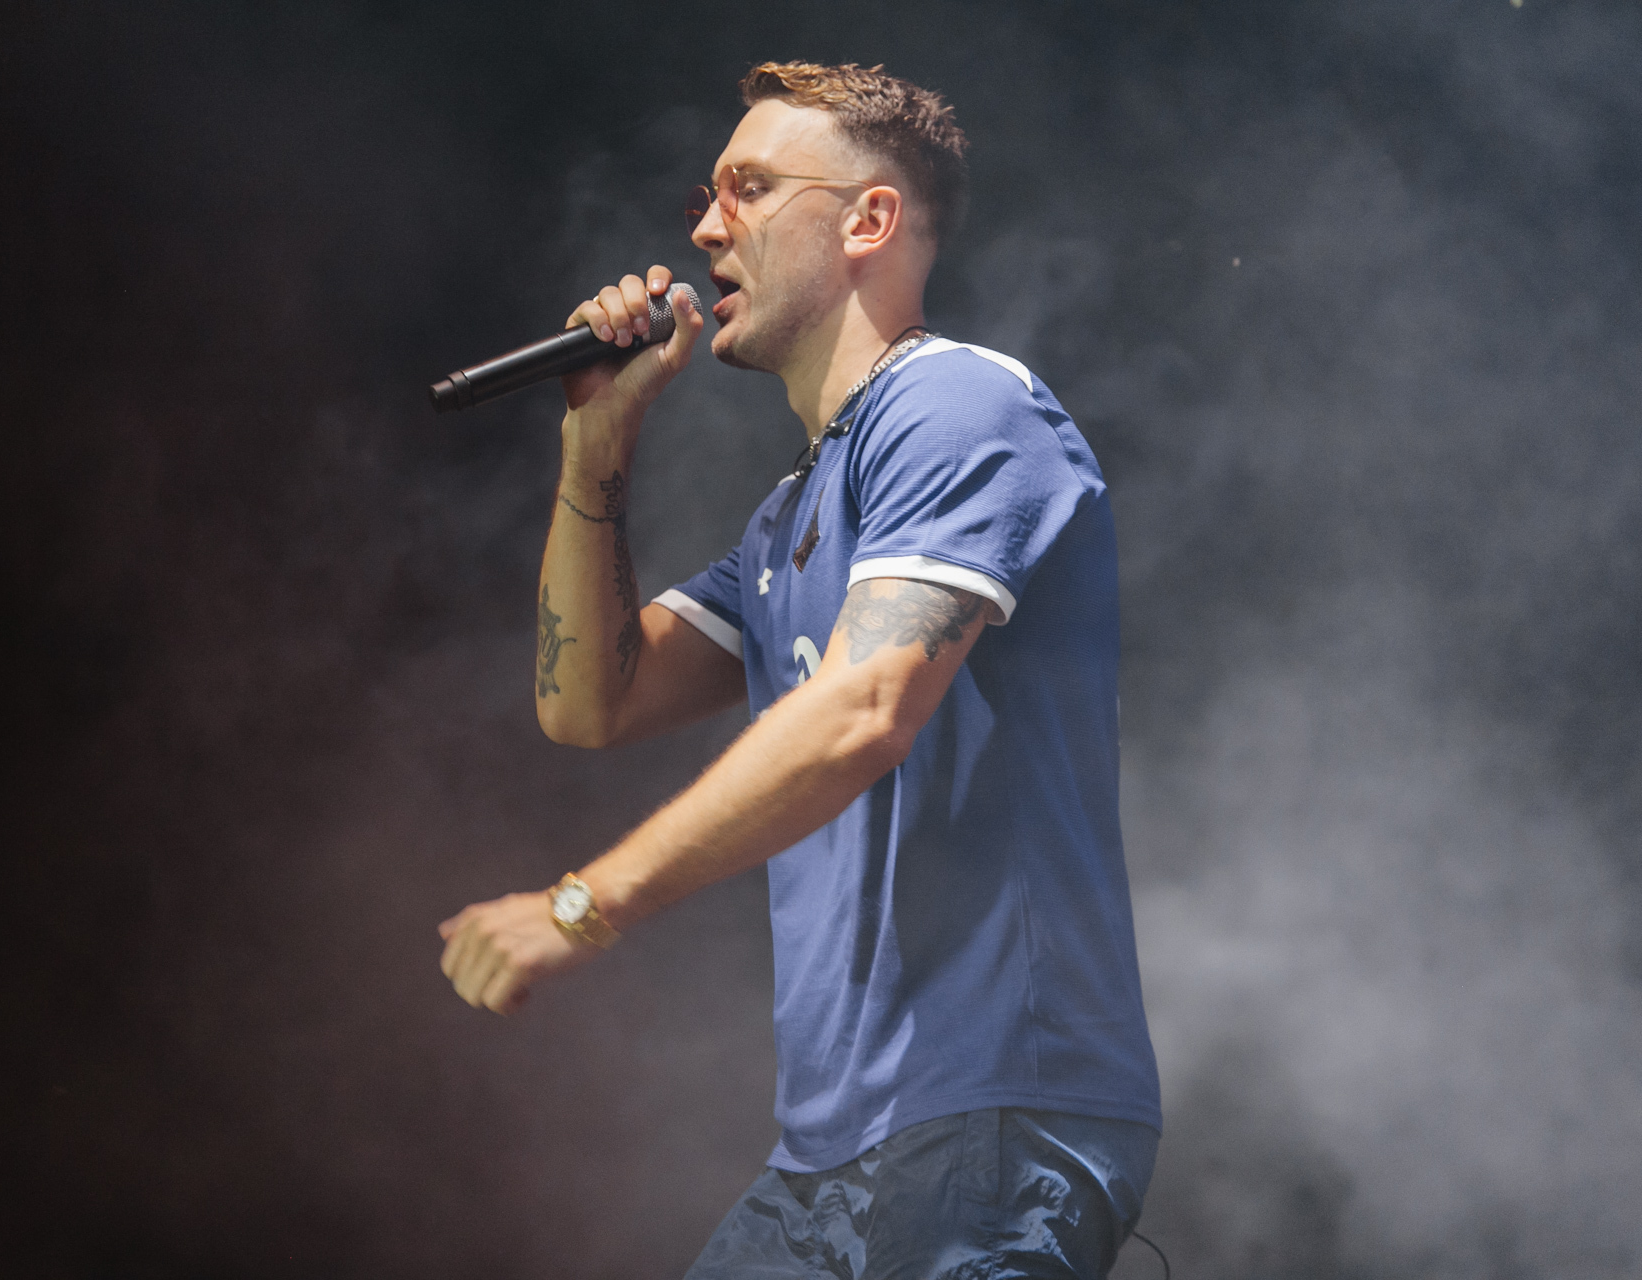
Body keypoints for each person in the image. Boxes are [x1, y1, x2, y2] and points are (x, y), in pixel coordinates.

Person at [438, 62, 1161, 1279]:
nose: (704, 228)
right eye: (706, 196)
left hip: (990, 1119)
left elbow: (865, 708)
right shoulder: (789, 520)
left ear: (869, 220)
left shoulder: (958, 403)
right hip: (828, 1158)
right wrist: (597, 439)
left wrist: (582, 905)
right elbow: (589, 700)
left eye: (752, 188)